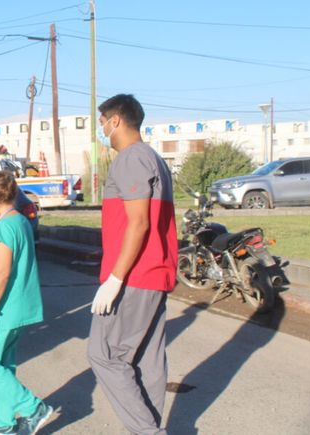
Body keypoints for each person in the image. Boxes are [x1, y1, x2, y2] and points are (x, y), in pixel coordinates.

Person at [87, 94, 177, 435]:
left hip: (135, 275)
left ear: (116, 121)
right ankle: (147, 427)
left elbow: (138, 223)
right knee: (146, 362)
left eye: (102, 124)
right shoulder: (154, 158)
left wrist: (114, 279)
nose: (102, 131)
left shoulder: (130, 158)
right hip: (155, 273)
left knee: (105, 355)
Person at [0, 171, 52, 435]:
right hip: (15, 310)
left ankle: (33, 408)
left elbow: (2, 273)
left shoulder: (4, 227)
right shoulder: (19, 221)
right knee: (3, 365)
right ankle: (2, 423)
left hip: (0, 312)